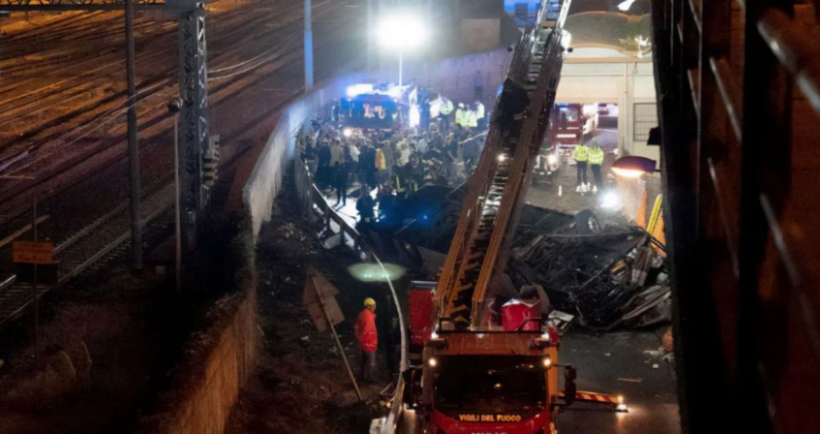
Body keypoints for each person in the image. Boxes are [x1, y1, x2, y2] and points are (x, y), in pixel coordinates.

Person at [354, 298, 378, 382]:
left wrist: (359, 340)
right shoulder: (368, 316)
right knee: (370, 363)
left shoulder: (362, 314)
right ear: (368, 306)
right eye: (373, 306)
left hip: (362, 343)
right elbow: (368, 330)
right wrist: (370, 343)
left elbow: (356, 327)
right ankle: (369, 379)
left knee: (362, 362)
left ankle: (360, 378)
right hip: (369, 343)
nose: (375, 307)